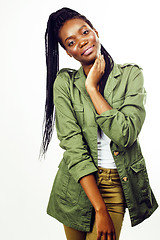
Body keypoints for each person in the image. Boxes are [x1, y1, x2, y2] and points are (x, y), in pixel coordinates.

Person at [40, 7, 158, 240]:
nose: (81, 42)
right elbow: (73, 148)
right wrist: (99, 209)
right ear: (68, 52)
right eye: (71, 42)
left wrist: (92, 89)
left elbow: (125, 134)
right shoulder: (64, 83)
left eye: (84, 32)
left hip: (117, 185)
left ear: (95, 31)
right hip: (77, 187)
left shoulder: (131, 76)